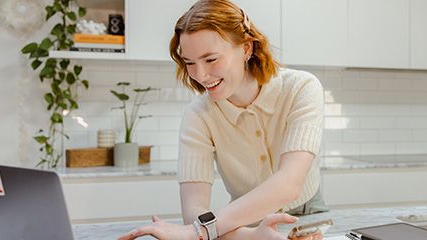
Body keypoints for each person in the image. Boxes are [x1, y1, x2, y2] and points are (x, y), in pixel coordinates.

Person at [119, 0, 327, 239]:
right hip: (241, 221)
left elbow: (289, 184)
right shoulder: (198, 115)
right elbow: (194, 212)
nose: (200, 75)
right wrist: (250, 237)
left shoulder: (301, 88)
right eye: (189, 63)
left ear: (246, 48)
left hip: (309, 214)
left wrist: (199, 230)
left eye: (210, 60)